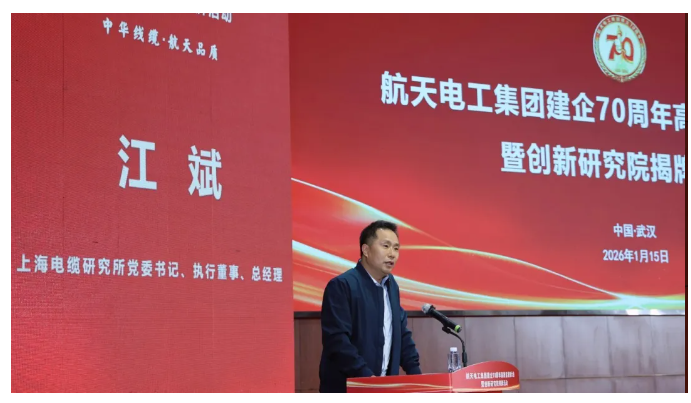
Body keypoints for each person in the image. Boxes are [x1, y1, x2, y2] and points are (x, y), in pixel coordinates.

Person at [318, 220, 422, 393]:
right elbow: (337, 342)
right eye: (386, 246)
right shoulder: (342, 285)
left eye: (396, 248)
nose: (392, 254)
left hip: (383, 388)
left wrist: (417, 377)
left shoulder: (391, 286)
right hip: (348, 389)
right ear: (366, 250)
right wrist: (367, 378)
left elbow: (401, 335)